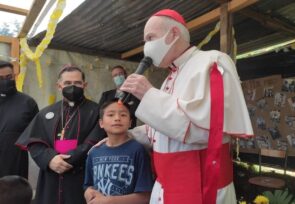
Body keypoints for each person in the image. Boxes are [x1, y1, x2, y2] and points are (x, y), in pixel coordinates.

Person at [98, 9, 253, 204]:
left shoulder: (212, 61)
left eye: (150, 37)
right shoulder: (168, 78)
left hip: (200, 187)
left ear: (173, 34)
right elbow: (162, 131)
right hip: (164, 186)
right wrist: (123, 136)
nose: (146, 46)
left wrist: (148, 94)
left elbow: (208, 130)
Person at [16, 65, 105, 204]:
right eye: (67, 83)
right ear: (59, 86)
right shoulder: (46, 113)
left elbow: (94, 142)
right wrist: (50, 159)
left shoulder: (97, 111)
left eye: (77, 83)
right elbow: (34, 142)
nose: (73, 86)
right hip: (51, 176)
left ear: (85, 85)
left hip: (81, 176)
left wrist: (67, 161)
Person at [84, 99, 153, 204]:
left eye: (123, 115)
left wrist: (109, 201)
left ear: (130, 123)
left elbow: (145, 196)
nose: (117, 118)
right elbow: (88, 186)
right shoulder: (94, 152)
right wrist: (88, 193)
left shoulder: (138, 150)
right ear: (101, 123)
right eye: (111, 115)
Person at [0, 60, 38, 178]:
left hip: (15, 164)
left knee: (13, 195)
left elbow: (37, 133)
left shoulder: (27, 103)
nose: (5, 81)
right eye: (0, 78)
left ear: (14, 76)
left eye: (8, 77)